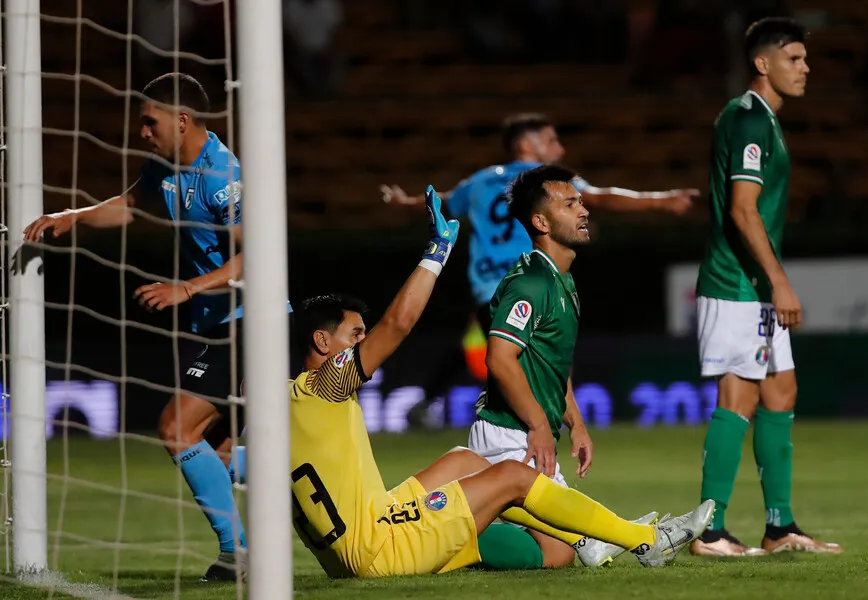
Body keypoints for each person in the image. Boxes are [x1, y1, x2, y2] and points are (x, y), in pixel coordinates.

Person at [277, 186, 713, 577]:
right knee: (512, 475)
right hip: (380, 549)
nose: (364, 342)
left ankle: (587, 537)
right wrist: (437, 251)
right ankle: (646, 541)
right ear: (321, 341)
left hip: (355, 540)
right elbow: (399, 323)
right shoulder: (326, 385)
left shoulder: (279, 401)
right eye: (355, 335)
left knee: (465, 462)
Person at [23, 72, 272, 580]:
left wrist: (187, 288)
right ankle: (287, 478)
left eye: (149, 121)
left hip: (252, 321)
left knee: (175, 428)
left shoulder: (223, 176)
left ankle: (238, 553)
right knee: (216, 456)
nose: (142, 131)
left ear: (181, 121)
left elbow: (259, 252)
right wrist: (75, 214)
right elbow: (131, 206)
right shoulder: (165, 166)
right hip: (217, 324)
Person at [382, 113, 699, 429]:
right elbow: (602, 197)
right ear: (524, 144)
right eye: (550, 141)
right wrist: (661, 201)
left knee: (505, 362)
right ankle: (532, 432)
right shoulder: (544, 181)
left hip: (488, 291)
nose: (559, 149)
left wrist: (402, 203)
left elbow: (438, 203)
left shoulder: (477, 183)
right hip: (531, 283)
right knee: (544, 362)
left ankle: (493, 422)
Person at [690, 17, 842, 557]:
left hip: (752, 286)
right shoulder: (749, 117)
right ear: (763, 63)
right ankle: (708, 530)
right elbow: (743, 208)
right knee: (739, 397)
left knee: (781, 391)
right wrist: (780, 282)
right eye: (795, 59)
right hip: (737, 285)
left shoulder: (763, 121)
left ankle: (780, 527)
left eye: (805, 59)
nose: (806, 68)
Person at [464, 164, 651, 570]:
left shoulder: (561, 281)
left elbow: (553, 363)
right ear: (540, 221)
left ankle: (476, 523)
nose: (583, 210)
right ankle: (453, 538)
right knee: (559, 552)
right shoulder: (531, 282)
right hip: (509, 434)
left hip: (529, 431)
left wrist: (576, 423)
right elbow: (498, 357)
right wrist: (536, 424)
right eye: (570, 204)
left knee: (563, 551)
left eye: (581, 201)